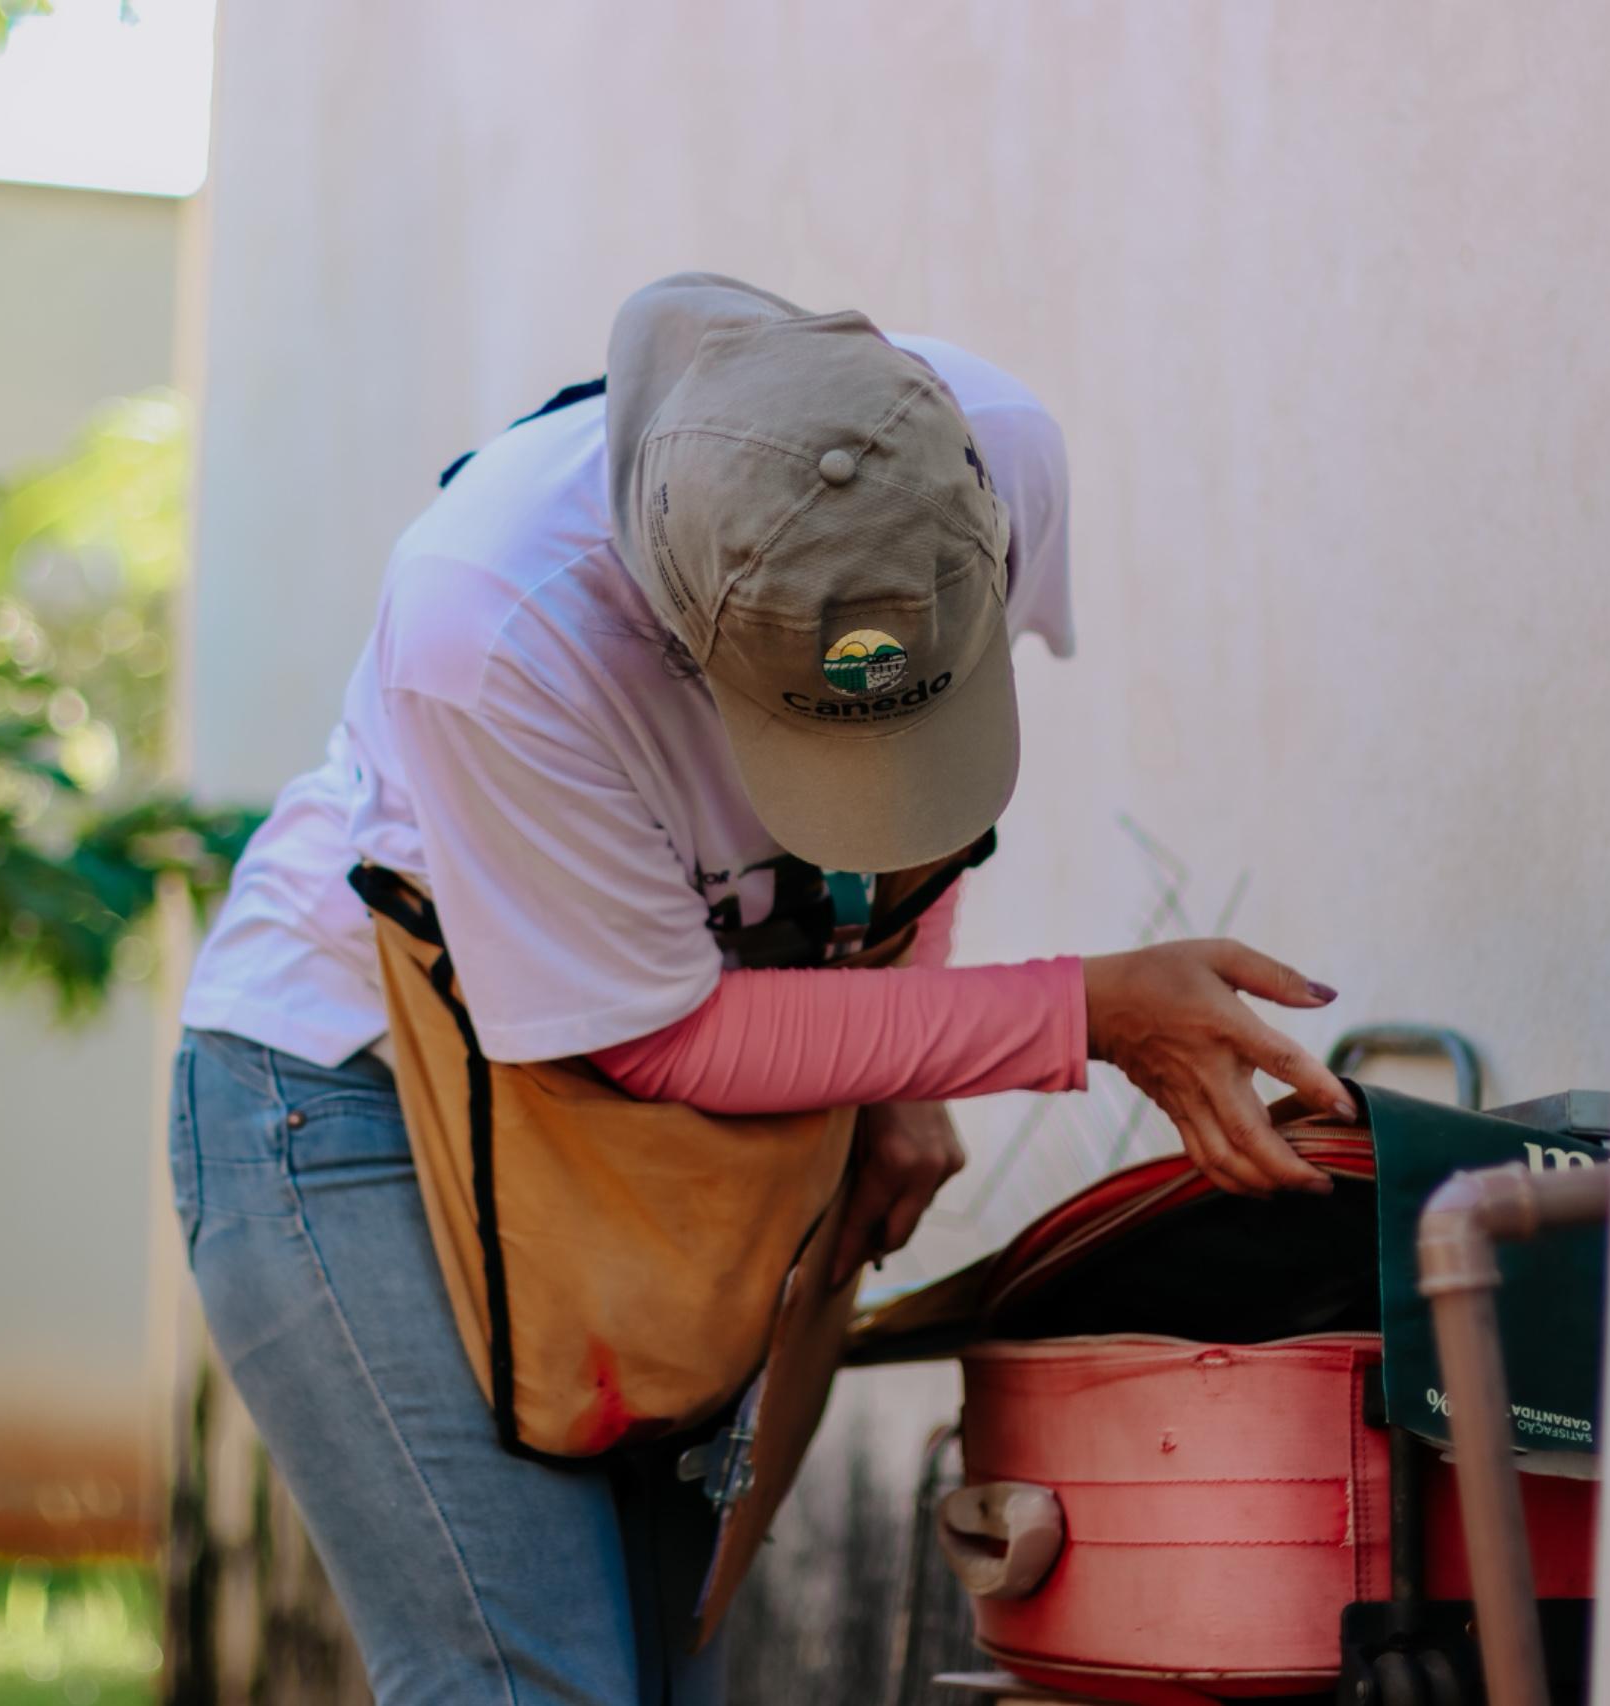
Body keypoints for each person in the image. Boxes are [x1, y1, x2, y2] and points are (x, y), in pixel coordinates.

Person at [170, 273, 1357, 1706]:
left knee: (681, 1671)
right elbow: (665, 1034)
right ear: (674, 628)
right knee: (530, 1680)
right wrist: (1082, 1010)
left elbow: (911, 841)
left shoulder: (982, 454)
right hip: (352, 1097)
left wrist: (897, 1088)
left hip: (663, 1118)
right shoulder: (491, 624)